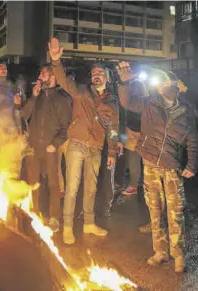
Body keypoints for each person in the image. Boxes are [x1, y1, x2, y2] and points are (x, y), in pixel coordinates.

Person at [116, 62, 198, 273]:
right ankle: (160, 251)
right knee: (154, 209)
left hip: (171, 167)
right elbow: (127, 102)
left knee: (175, 212)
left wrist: (192, 164)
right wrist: (125, 81)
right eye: (158, 83)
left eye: (164, 82)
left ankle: (178, 255)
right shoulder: (149, 103)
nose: (160, 86)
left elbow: (193, 139)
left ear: (173, 85)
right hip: (150, 163)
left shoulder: (185, 110)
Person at [48, 38, 119, 244]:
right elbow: (62, 79)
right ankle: (68, 227)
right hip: (77, 144)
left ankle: (89, 224)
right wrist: (55, 61)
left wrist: (112, 152)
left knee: (91, 188)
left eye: (100, 73)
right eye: (94, 73)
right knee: (72, 187)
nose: (96, 75)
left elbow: (114, 129)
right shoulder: (80, 91)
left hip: (96, 148)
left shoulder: (112, 100)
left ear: (106, 77)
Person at [16, 65, 71, 232]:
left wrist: (54, 144)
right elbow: (24, 115)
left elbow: (66, 127)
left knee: (53, 184)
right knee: (33, 183)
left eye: (43, 74)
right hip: (33, 147)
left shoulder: (62, 98)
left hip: (50, 149)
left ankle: (54, 217)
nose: (40, 76)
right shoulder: (37, 96)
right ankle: (35, 213)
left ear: (52, 76)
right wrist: (32, 97)